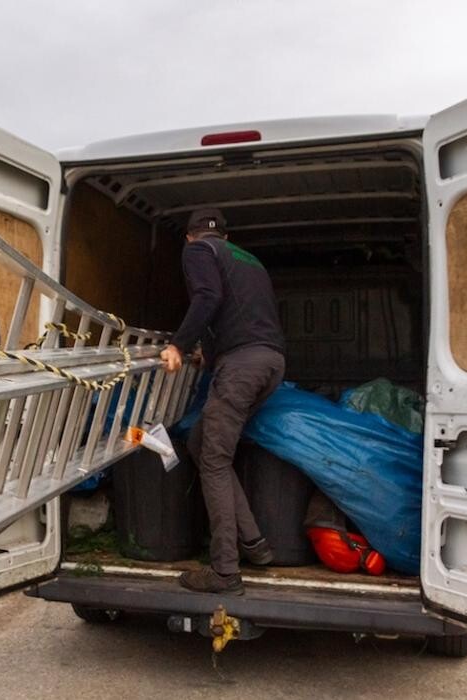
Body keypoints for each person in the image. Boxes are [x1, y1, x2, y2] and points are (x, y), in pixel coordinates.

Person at [160, 208, 286, 595]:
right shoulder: (248, 260)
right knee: (202, 443)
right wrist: (209, 357)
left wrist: (179, 345)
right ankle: (255, 545)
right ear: (227, 237)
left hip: (242, 367)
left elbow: (208, 297)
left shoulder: (199, 251)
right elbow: (240, 313)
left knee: (214, 460)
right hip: (271, 362)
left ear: (189, 237)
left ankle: (225, 571)